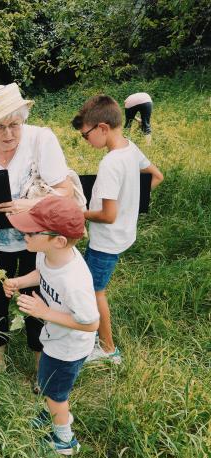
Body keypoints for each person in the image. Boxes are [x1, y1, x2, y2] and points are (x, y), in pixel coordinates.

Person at [0, 83, 74, 381]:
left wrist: (28, 204)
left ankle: (39, 366)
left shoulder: (41, 139)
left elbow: (66, 191)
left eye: (14, 125)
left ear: (24, 119)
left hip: (38, 240)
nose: (8, 134)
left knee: (36, 298)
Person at [3, 196, 100, 456]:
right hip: (55, 337)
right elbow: (41, 274)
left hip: (68, 347)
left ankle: (64, 441)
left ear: (58, 240)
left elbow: (91, 323)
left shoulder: (75, 281)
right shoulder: (46, 254)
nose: (23, 232)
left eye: (32, 230)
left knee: (56, 393)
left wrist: (45, 312)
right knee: (49, 384)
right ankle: (51, 415)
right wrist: (19, 282)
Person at [72, 95, 163, 364]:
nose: (86, 141)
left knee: (94, 291)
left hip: (106, 240)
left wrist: (79, 212)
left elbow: (108, 215)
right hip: (124, 235)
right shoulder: (130, 148)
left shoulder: (110, 163)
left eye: (85, 135)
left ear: (102, 128)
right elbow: (156, 176)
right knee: (90, 286)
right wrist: (130, 205)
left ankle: (108, 349)